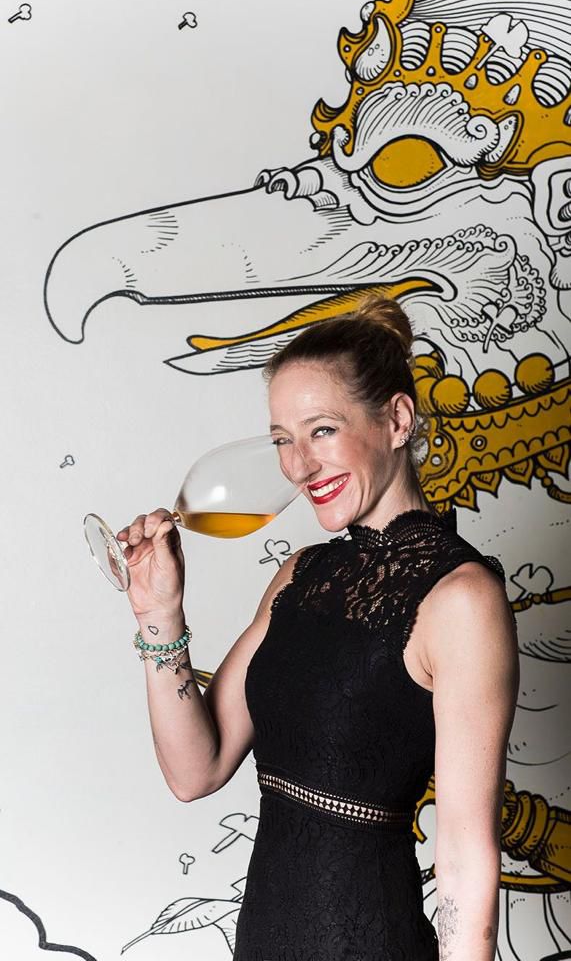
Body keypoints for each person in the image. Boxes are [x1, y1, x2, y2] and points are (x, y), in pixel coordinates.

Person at [115, 294, 520, 961]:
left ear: (396, 420)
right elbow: (195, 771)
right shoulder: (300, 574)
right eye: (283, 439)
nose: (299, 465)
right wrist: (158, 615)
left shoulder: (461, 598)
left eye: (322, 430)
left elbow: (463, 859)